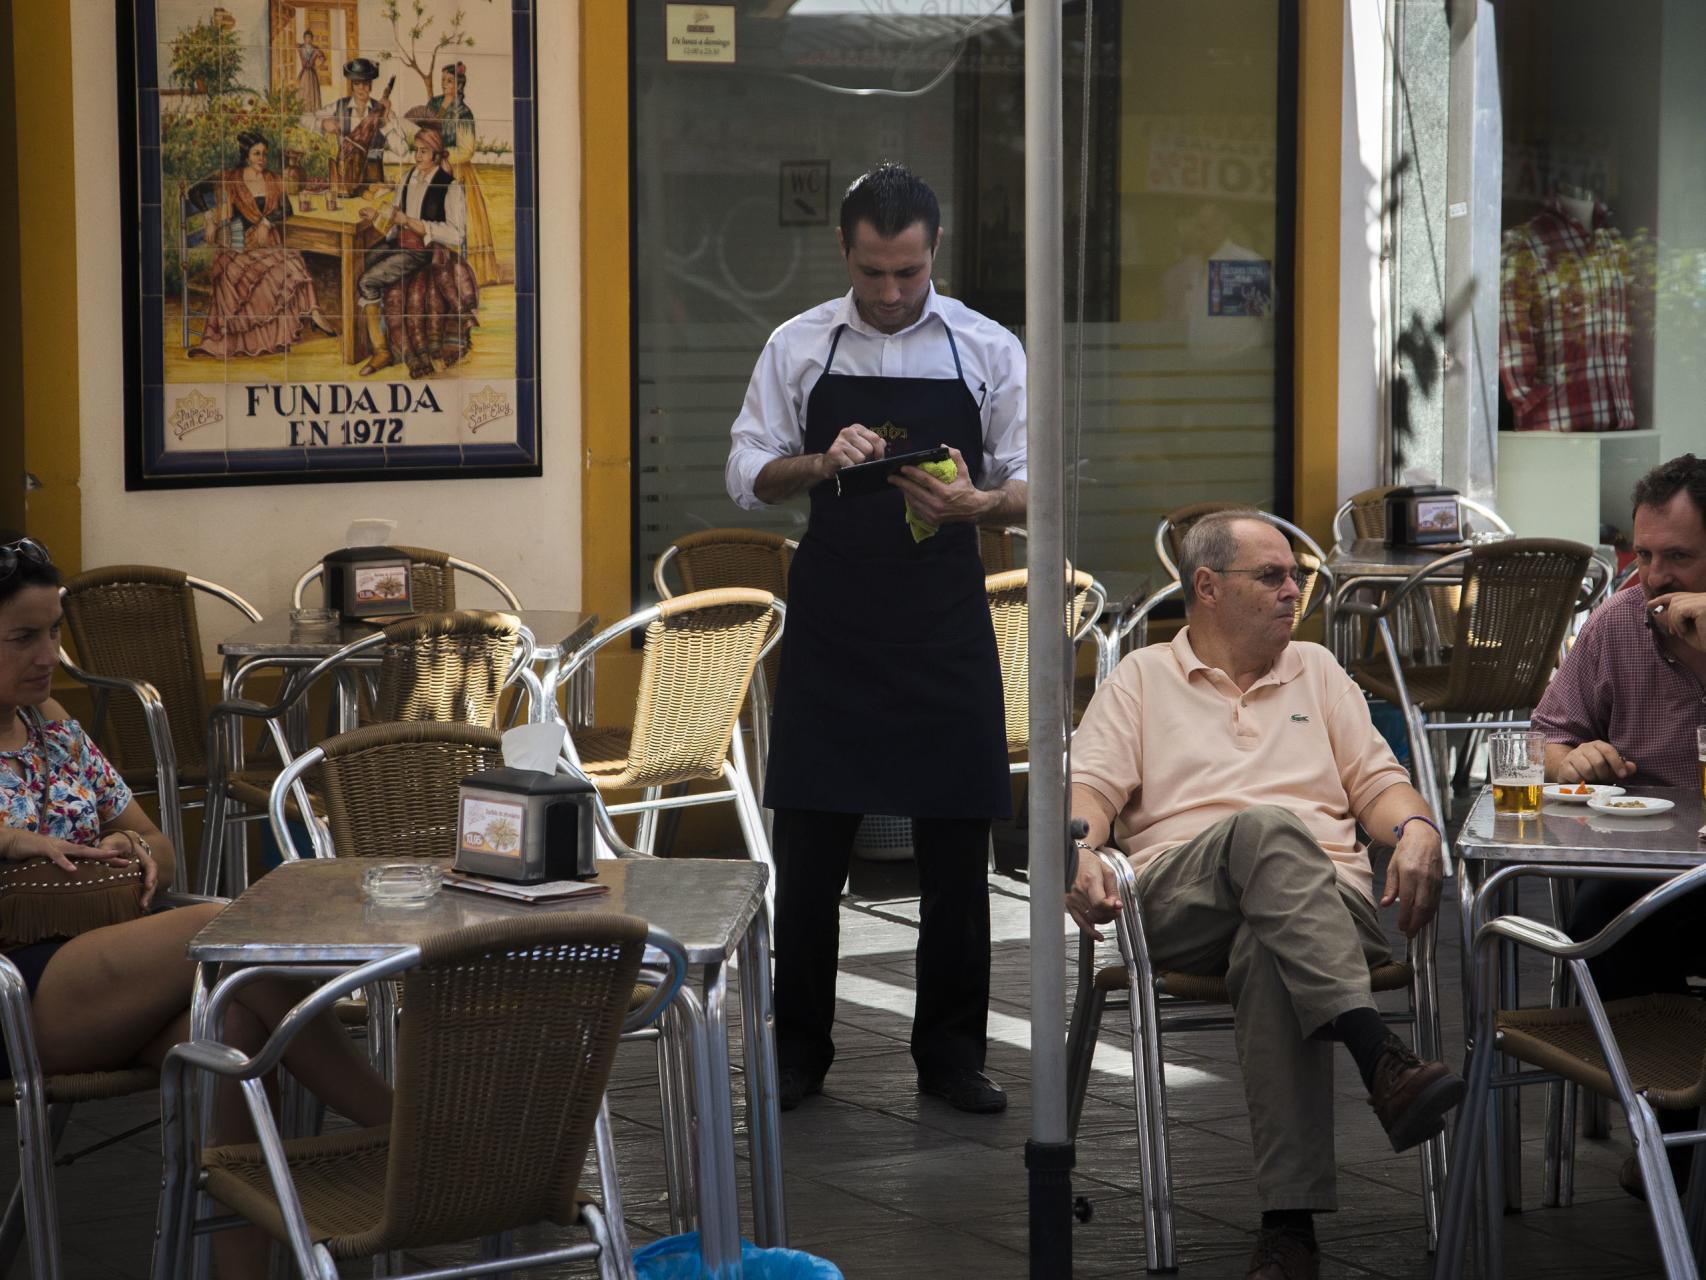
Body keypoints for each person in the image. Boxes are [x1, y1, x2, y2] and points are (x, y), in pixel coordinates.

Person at [1065, 510, 1462, 1280]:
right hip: (1186, 900)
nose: (1294, 593)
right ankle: (1376, 1051)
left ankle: (1289, 1230)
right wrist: (1077, 847)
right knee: (1267, 831)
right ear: (1207, 588)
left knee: (1271, 946)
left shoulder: (1317, 669)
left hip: (1326, 908)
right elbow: (1086, 790)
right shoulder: (1142, 677)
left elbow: (1380, 785)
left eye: (1298, 578)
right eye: (1273, 577)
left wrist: (1415, 828)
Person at [0, 535, 392, 1278]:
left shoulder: (51, 725)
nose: (48, 653)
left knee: (234, 1032)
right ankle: (399, 1125)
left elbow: (151, 834)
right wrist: (16, 839)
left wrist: (145, 856)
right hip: (17, 987)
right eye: (23, 637)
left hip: (110, 963)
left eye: (53, 631)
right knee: (227, 930)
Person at [724, 163, 1027, 1115]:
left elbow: (1039, 482)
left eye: (907, 272)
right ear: (844, 256)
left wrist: (980, 502)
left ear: (934, 253)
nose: (890, 294)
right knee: (809, 850)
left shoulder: (987, 348)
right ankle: (797, 1052)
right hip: (838, 621)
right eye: (872, 274)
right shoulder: (798, 345)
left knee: (956, 850)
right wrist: (820, 460)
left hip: (943, 622)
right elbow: (744, 471)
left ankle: (950, 1055)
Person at [1535, 453, 1706, 1198]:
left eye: (1679, 556)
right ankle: (1667, 1138)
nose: (1655, 575)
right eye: (1644, 553)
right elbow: (1545, 739)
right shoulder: (1617, 623)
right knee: (1599, 918)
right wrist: (1573, 761)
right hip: (1648, 876)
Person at [189, 132, 335, 360]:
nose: (262, 158)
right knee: (274, 269)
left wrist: (266, 222)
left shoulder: (273, 179)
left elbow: (287, 209)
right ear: (246, 155)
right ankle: (261, 337)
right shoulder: (231, 177)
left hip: (265, 243)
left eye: (265, 154)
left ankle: (314, 314)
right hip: (237, 248)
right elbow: (194, 191)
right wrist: (208, 218)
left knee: (293, 259)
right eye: (257, 153)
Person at [354, 125, 468, 376]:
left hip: (421, 250)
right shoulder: (407, 178)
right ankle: (363, 343)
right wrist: (377, 215)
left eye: (424, 151)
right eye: (416, 150)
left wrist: (411, 223)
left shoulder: (449, 187)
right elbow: (393, 216)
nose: (417, 156)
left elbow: (456, 233)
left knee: (367, 281)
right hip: (399, 242)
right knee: (357, 264)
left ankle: (381, 350)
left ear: (436, 155)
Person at [420, 62, 502, 286]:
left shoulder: (464, 113)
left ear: (459, 84)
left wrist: (442, 155)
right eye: (443, 80)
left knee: (458, 219)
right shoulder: (434, 103)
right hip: (432, 165)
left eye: (449, 81)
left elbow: (467, 150)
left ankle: (464, 273)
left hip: (454, 168)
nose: (444, 84)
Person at [317, 57, 405, 191]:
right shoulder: (339, 107)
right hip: (345, 182)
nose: (361, 88)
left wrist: (385, 121)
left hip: (374, 184)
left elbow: (402, 150)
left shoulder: (383, 111)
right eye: (357, 83)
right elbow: (304, 118)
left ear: (371, 84)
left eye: (365, 83)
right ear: (351, 84)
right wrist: (323, 123)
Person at [296, 30, 324, 114]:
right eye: (306, 37)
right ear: (304, 38)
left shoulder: (315, 49)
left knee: (312, 89)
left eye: (310, 38)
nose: (308, 39)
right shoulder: (301, 47)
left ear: (312, 39)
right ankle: (304, 108)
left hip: (312, 73)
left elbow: (322, 58)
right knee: (304, 89)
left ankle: (312, 108)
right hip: (304, 72)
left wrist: (318, 65)